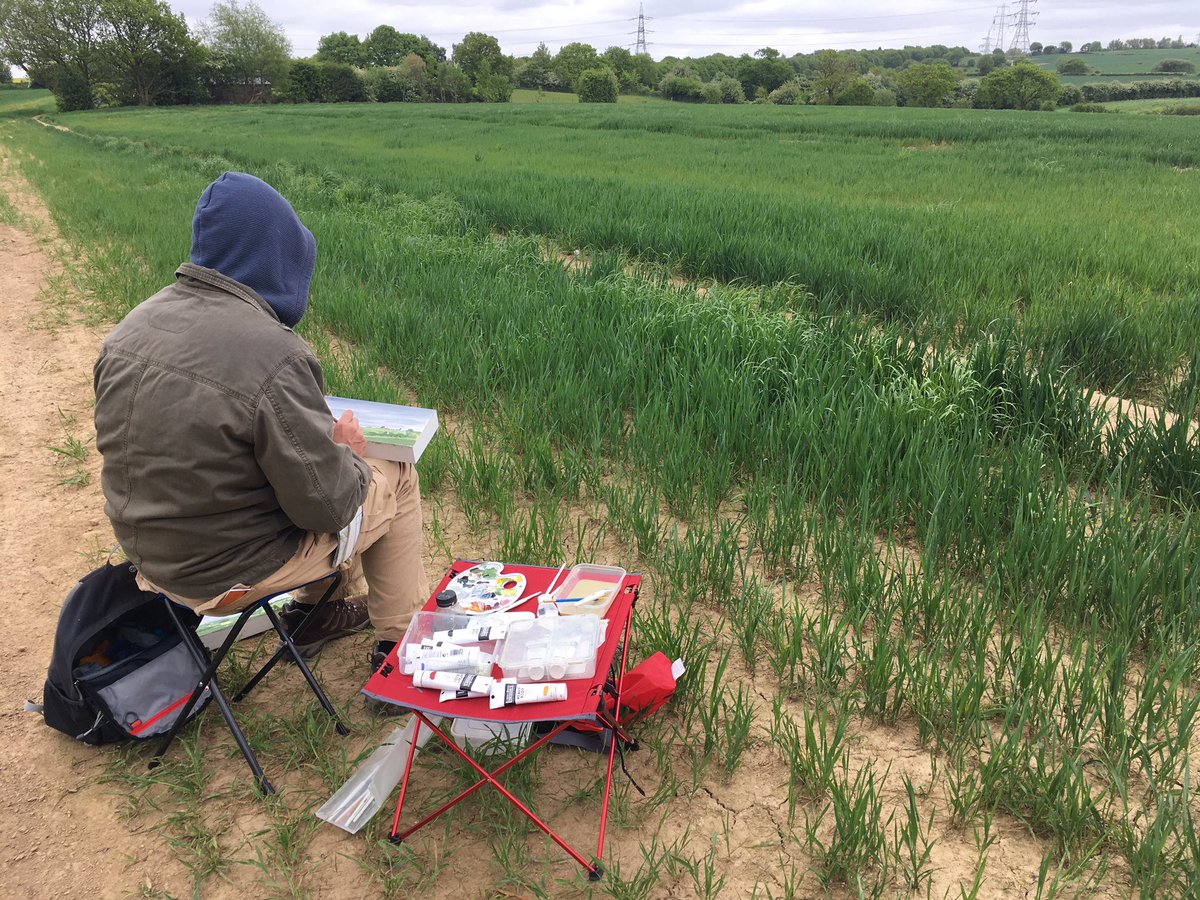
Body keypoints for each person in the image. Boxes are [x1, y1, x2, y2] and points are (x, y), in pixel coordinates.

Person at [93, 171, 428, 670]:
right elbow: (330, 509)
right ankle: (402, 648)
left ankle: (320, 614)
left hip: (152, 561)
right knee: (394, 476)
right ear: (277, 258)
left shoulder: (131, 327)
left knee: (289, 473)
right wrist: (347, 456)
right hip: (230, 574)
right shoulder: (274, 354)